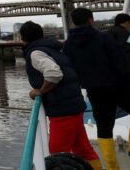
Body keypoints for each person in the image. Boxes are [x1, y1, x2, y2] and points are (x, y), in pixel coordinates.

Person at [63, 7, 130, 168]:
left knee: (104, 128)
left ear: (74, 22)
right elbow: (122, 63)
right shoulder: (103, 38)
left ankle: (111, 167)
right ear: (91, 20)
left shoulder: (68, 45)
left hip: (94, 90)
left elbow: (69, 69)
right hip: (117, 86)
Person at [19, 21, 101, 170]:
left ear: (23, 38)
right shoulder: (54, 50)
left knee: (58, 153)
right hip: (74, 105)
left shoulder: (36, 53)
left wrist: (41, 91)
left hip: (62, 110)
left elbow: (54, 73)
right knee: (83, 149)